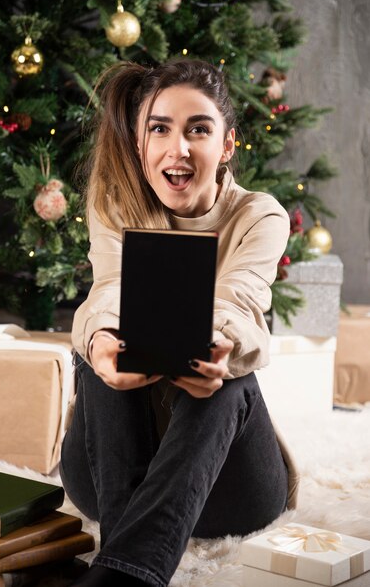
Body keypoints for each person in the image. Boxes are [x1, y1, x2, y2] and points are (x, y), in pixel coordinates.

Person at [60, 59, 299, 587]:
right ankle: (131, 555)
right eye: (160, 129)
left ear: (228, 144)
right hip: (110, 478)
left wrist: (213, 347)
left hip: (228, 490)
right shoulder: (115, 205)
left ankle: (125, 574)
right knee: (99, 344)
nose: (179, 148)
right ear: (140, 144)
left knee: (229, 377)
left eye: (199, 129)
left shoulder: (260, 216)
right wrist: (101, 344)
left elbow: (240, 303)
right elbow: (107, 291)